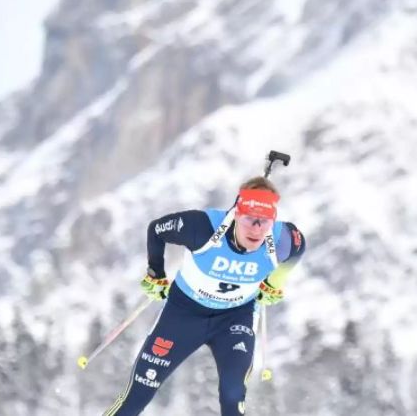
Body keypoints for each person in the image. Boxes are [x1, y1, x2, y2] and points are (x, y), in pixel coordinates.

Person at [102, 176, 307, 416]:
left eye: (265, 222)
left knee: (232, 397)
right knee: (138, 393)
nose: (257, 229)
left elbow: (297, 251)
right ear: (236, 214)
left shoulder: (284, 240)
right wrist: (155, 273)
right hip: (183, 315)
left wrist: (274, 283)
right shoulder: (202, 227)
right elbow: (157, 230)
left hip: (234, 320)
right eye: (250, 219)